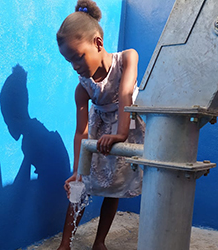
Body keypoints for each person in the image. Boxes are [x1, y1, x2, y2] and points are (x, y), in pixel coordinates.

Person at [56, 1, 145, 249]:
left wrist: (121, 134)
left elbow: (126, 93)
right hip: (98, 133)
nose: (75, 66)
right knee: (80, 186)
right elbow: (80, 132)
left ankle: (100, 242)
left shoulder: (128, 58)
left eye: (78, 57)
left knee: (114, 188)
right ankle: (65, 244)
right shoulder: (82, 88)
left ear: (97, 43)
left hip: (123, 128)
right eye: (69, 61)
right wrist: (77, 170)